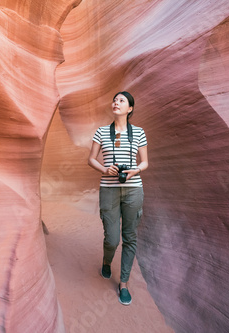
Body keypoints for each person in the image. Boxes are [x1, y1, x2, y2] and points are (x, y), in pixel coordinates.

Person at [87, 91, 148, 305]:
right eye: (115, 99)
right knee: (112, 239)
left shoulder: (139, 133)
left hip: (133, 190)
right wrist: (105, 169)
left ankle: (123, 282)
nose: (116, 102)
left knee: (130, 237)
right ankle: (106, 261)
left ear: (130, 108)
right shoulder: (102, 132)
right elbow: (91, 159)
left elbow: (145, 163)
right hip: (109, 190)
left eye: (121, 100)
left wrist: (134, 171)